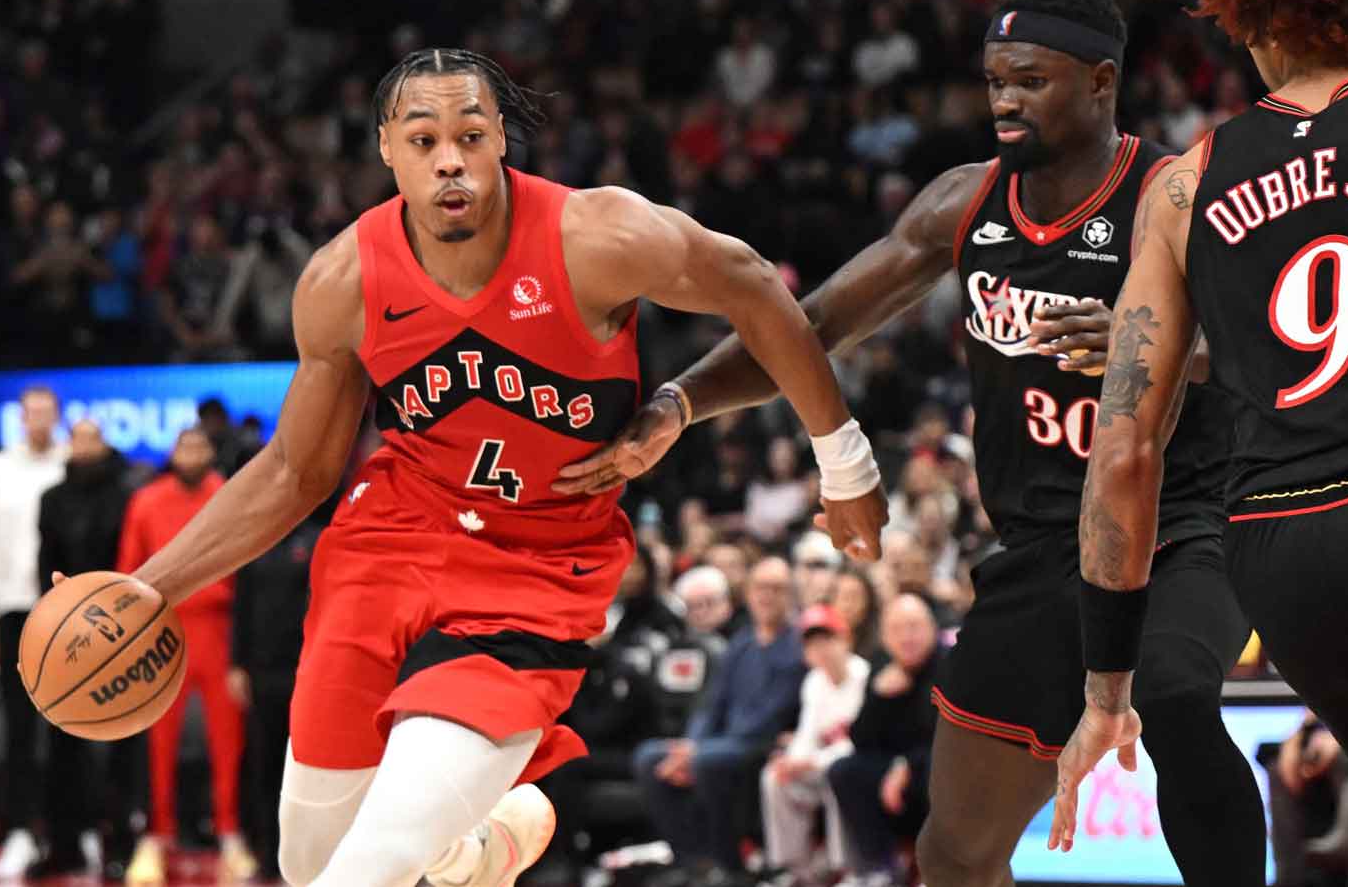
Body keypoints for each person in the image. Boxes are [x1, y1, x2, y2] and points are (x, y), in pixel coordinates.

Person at [58, 47, 883, 887]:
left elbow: (750, 283)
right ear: (386, 148)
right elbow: (294, 473)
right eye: (423, 139)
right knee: (309, 864)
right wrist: (150, 586)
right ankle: (468, 849)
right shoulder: (343, 280)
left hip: (533, 568)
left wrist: (842, 459)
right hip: (387, 546)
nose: (449, 157)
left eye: (470, 133)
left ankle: (447, 842)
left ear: (499, 142)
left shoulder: (595, 237)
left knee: (362, 874)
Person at [557, 0, 1264, 883]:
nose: (1004, 100)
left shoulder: (1175, 192)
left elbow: (1259, 342)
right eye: (995, 82)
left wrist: (1157, 348)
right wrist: (679, 402)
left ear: (1101, 82)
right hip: (1042, 547)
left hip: (1186, 528)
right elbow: (806, 325)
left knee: (1172, 697)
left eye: (1031, 81)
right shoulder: (962, 204)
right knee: (952, 852)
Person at [1057, 0, 1348, 859]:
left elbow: (1122, 450)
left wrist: (1107, 691)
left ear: (1241, 16)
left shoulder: (1181, 186)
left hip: (1277, 550)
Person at [116, 426, 256, 883]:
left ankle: (232, 835)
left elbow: (249, 571)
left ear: (212, 452)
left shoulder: (229, 496)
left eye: (200, 445)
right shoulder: (147, 501)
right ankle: (155, 837)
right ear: (172, 454)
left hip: (218, 627)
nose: (191, 453)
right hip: (162, 629)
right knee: (156, 741)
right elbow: (128, 572)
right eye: (184, 446)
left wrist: (243, 648)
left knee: (228, 739)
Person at [633, 556, 805, 885]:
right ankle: (692, 859)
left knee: (710, 762)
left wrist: (699, 752)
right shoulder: (741, 644)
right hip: (721, 743)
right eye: (760, 588)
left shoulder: (796, 646)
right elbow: (712, 704)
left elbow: (771, 715)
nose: (766, 596)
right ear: (749, 593)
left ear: (791, 595)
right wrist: (692, 744)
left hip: (764, 744)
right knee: (649, 757)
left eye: (776, 589)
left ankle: (729, 864)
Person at [30, 420, 145, 880]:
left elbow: (135, 560)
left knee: (122, 746)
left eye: (91, 437)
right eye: (76, 437)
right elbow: (45, 566)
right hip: (64, 633)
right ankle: (64, 845)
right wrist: (51, 627)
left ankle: (119, 845)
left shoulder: (127, 496)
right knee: (61, 744)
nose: (83, 445)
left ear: (104, 444)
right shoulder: (51, 499)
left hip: (122, 630)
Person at [0, 385, 69, 878]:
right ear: (21, 416)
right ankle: (18, 832)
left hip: (64, 611)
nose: (39, 419)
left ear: (56, 416)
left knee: (71, 726)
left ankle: (71, 831)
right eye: (32, 412)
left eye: (47, 411)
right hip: (11, 609)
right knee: (19, 729)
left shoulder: (70, 465)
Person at [231, 490, 322, 881]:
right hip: (261, 670)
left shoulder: (318, 539)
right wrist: (236, 663)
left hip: (307, 669)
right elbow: (241, 606)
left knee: (307, 768)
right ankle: (268, 856)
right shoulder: (255, 543)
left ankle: (311, 860)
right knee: (263, 765)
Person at [825, 595, 940, 887]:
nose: (906, 637)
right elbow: (860, 740)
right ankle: (877, 868)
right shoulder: (881, 666)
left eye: (914, 627)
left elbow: (949, 740)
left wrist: (906, 766)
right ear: (886, 636)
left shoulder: (950, 664)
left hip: (934, 770)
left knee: (937, 770)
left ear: (932, 628)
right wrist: (879, 696)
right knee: (845, 770)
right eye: (897, 629)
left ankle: (937, 869)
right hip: (893, 777)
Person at [759, 604, 869, 886]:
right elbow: (806, 734)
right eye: (812, 643)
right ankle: (797, 869)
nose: (821, 649)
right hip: (820, 765)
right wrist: (793, 761)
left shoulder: (864, 676)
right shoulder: (814, 682)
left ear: (845, 639)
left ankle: (847, 869)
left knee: (839, 774)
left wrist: (812, 761)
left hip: (855, 764)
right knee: (774, 777)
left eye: (827, 639)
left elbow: (860, 743)